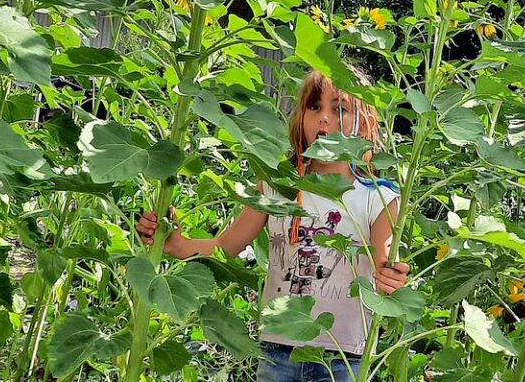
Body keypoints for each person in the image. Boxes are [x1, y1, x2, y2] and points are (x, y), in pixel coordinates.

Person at [136, 67, 410, 382]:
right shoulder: (277, 186)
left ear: (366, 125)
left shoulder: (379, 196)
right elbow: (226, 248)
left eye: (339, 109)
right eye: (314, 107)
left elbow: (382, 267)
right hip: (278, 351)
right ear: (300, 118)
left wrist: (391, 279)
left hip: (344, 356)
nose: (324, 118)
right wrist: (175, 244)